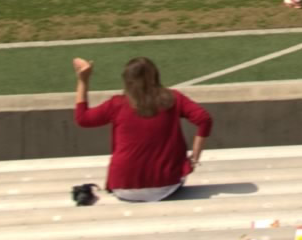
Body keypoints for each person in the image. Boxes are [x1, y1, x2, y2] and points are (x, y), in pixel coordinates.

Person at [71, 56, 212, 202]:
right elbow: (204, 120)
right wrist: (194, 159)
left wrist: (83, 80)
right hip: (167, 186)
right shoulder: (174, 98)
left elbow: (82, 119)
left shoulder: (116, 104)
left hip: (123, 186)